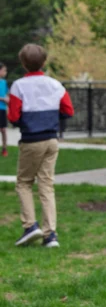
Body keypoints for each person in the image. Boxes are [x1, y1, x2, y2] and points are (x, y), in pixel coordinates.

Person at [10, 44, 74, 247]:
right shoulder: (55, 85)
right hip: (51, 140)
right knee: (46, 184)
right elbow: (68, 110)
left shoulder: (19, 86)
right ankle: (50, 235)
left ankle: (30, 226)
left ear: (23, 63)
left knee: (24, 182)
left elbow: (13, 116)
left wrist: (22, 122)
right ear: (44, 62)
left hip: (31, 140)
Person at [0, 62, 8, 156]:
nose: (5, 72)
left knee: (3, 130)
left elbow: (6, 94)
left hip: (2, 109)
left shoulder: (4, 82)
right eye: (4, 70)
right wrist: (3, 99)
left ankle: (4, 149)